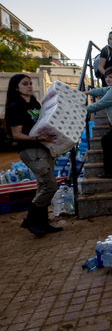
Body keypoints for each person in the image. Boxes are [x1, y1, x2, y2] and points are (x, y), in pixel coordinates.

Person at [5, 74, 63, 236]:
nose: (30, 86)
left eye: (30, 83)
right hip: (30, 150)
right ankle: (30, 219)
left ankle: (42, 224)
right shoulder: (15, 107)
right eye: (25, 84)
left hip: (42, 147)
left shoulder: (34, 104)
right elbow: (16, 135)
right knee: (50, 185)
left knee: (42, 186)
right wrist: (38, 138)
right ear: (16, 87)